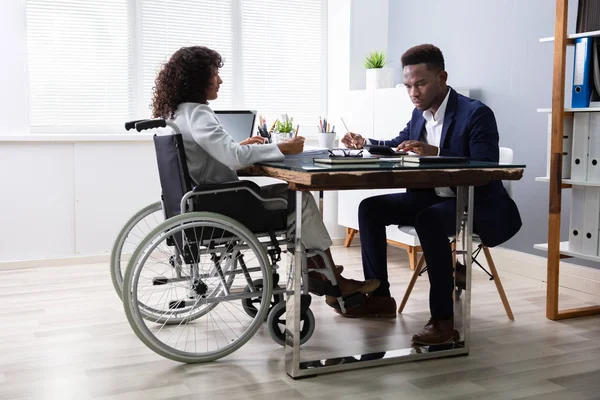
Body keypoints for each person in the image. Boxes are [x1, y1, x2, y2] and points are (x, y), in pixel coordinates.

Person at [151, 45, 380, 302]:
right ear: (197, 78)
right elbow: (233, 159)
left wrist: (242, 146)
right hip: (223, 205)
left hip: (197, 203)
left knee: (290, 196)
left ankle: (319, 270)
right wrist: (281, 147)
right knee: (300, 197)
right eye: (215, 74)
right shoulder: (199, 112)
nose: (220, 80)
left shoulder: (175, 113)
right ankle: (325, 275)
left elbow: (215, 154)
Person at [339, 44, 522, 345]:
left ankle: (443, 320)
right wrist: (366, 141)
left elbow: (485, 166)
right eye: (409, 86)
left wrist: (436, 153)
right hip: (434, 198)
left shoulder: (476, 113)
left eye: (420, 83)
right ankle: (380, 297)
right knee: (370, 208)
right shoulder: (419, 115)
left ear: (442, 77)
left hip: (474, 202)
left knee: (429, 220)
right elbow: (399, 144)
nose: (414, 92)